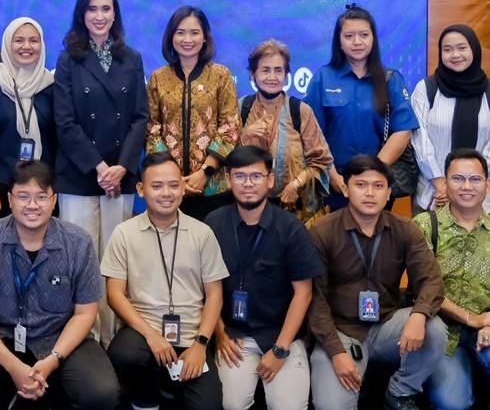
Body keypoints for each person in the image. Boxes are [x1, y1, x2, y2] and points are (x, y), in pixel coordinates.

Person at [0, 160, 121, 409]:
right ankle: (11, 384)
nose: (32, 205)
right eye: (23, 197)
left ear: (54, 200)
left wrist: (53, 360)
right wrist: (13, 366)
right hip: (4, 336)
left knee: (102, 393)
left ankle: (45, 387)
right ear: (10, 199)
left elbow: (85, 313)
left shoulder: (78, 243)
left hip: (59, 340)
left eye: (41, 197)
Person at [307, 154, 446, 410]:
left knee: (434, 328)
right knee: (331, 406)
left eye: (378, 186)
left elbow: (432, 280)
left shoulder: (405, 229)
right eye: (361, 185)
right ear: (346, 189)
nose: (370, 193)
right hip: (340, 331)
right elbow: (315, 299)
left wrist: (419, 315)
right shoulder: (323, 231)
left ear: (389, 192)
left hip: (386, 326)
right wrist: (336, 352)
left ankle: (400, 392)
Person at [53, 0, 149, 345]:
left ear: (115, 14)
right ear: (82, 14)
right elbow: (65, 122)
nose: (99, 16)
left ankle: (113, 338)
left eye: (106, 9)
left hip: (120, 177)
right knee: (81, 260)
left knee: (115, 262)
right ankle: (85, 340)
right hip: (79, 175)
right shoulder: (68, 59)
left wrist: (121, 167)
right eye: (92, 9)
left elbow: (140, 117)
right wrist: (99, 167)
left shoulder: (132, 58)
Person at [103, 152, 229, 410]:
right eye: (157, 186)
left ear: (183, 187)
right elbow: (114, 294)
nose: (166, 193)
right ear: (141, 190)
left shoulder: (202, 233)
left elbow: (215, 295)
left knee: (209, 405)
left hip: (192, 336)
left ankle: (171, 389)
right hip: (143, 335)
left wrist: (200, 344)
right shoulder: (124, 233)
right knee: (125, 355)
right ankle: (145, 401)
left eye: (173, 185)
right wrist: (151, 334)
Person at [206, 146, 322, 410]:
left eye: (256, 176)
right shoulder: (214, 223)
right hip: (235, 336)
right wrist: (220, 334)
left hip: (283, 335)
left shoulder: (291, 228)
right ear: (228, 179)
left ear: (270, 180)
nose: (248, 184)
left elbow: (303, 293)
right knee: (231, 404)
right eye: (240, 176)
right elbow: (207, 288)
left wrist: (281, 349)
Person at [414, 149, 490, 410]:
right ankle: (463, 386)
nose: (467, 187)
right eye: (458, 179)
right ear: (445, 183)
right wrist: (471, 319)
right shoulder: (424, 225)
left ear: (487, 186)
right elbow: (423, 289)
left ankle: (484, 388)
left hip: (488, 324)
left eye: (475, 179)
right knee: (450, 404)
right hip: (440, 330)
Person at [305, 5, 419, 210]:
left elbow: (403, 131)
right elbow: (311, 134)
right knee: (336, 230)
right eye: (349, 36)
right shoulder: (323, 78)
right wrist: (332, 175)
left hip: (377, 181)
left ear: (373, 39)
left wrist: (371, 174)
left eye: (364, 35)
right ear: (339, 42)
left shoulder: (390, 79)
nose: (357, 42)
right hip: (335, 182)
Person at [147, 6, 241, 221]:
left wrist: (205, 172)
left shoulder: (221, 76)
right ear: (171, 37)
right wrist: (173, 176)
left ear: (205, 37)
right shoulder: (158, 78)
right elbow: (152, 129)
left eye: (194, 33)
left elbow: (230, 126)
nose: (187, 39)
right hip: (170, 189)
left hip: (214, 186)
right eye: (180, 32)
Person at [410, 25, 490, 216]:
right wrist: (442, 183)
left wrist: (468, 184)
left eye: (462, 48)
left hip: (484, 199)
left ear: (474, 49)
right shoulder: (426, 89)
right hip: (435, 194)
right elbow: (419, 140)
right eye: (447, 49)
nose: (455, 55)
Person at [238, 39, 334, 224]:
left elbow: (321, 160)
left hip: (296, 211)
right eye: (265, 70)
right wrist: (244, 136)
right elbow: (226, 159)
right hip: (250, 212)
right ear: (253, 74)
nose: (272, 77)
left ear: (286, 74)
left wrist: (296, 185)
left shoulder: (300, 111)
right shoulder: (241, 108)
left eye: (278, 70)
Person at [0, 17, 56, 221]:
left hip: (44, 188)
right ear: (7, 44)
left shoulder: (51, 85)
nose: (26, 46)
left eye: (33, 40)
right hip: (3, 187)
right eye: (19, 40)